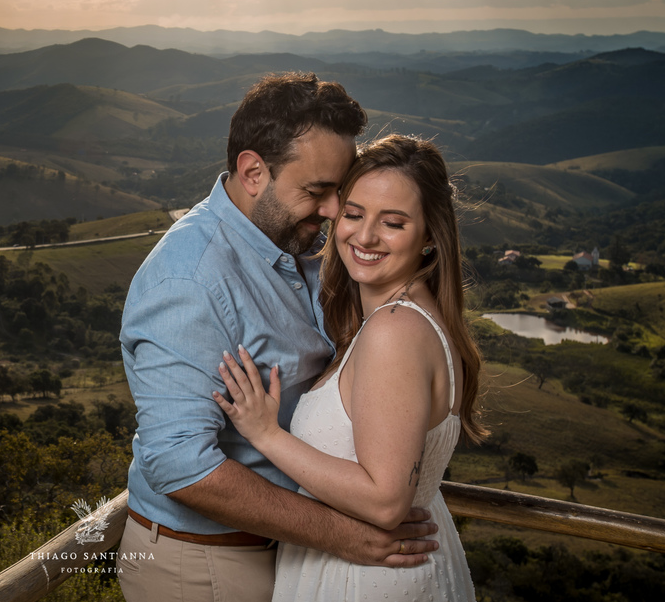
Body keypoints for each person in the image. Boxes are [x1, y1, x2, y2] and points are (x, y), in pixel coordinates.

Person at [117, 75, 440, 602]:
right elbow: (180, 464)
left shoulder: (295, 241)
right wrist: (342, 534)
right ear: (252, 172)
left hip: (288, 554)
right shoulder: (189, 280)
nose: (336, 210)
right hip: (209, 567)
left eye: (340, 190)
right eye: (317, 191)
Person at [213, 134, 484, 601]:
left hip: (366, 579)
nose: (364, 236)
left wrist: (266, 434)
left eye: (393, 223)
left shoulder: (394, 331)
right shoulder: (406, 319)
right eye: (354, 214)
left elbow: (385, 500)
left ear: (430, 239)